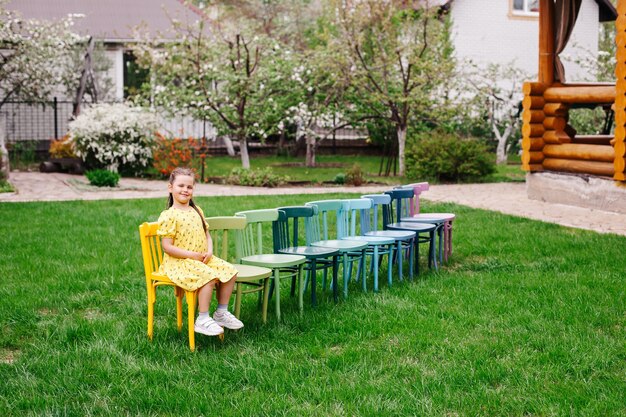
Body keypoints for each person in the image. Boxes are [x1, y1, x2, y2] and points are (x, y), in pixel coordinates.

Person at [157, 167, 243, 336]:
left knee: (230, 271)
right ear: (170, 188)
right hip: (179, 261)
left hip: (201, 259)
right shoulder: (169, 215)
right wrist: (191, 255)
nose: (185, 190)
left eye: (189, 187)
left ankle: (221, 312)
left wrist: (209, 251)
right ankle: (202, 318)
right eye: (180, 185)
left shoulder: (197, 211)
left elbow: (207, 236)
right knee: (208, 276)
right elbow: (167, 247)